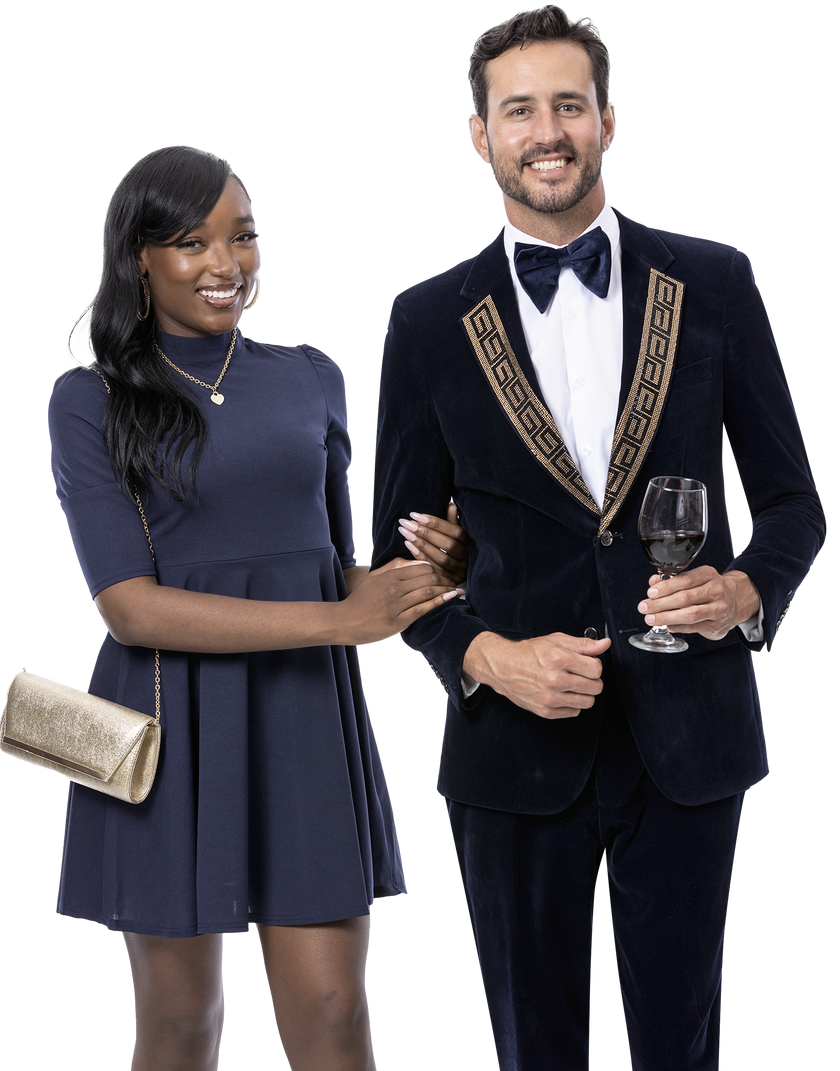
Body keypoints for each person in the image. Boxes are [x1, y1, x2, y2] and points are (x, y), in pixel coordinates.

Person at [371, 6, 828, 1070]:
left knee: (683, 1046)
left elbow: (796, 503)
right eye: (518, 109)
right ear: (479, 134)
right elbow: (398, 559)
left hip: (693, 730)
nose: (548, 132)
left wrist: (746, 591)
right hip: (512, 745)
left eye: (568, 105)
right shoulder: (427, 317)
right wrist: (483, 653)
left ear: (610, 120)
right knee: (533, 1050)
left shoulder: (714, 280)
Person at [47, 142, 469, 1071]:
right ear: (140, 257)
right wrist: (339, 622)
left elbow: (335, 570)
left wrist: (434, 570)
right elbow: (129, 608)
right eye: (193, 242)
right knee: (179, 1021)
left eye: (242, 236)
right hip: (160, 725)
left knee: (333, 1018)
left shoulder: (312, 374)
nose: (225, 263)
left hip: (305, 719)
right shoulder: (88, 398)